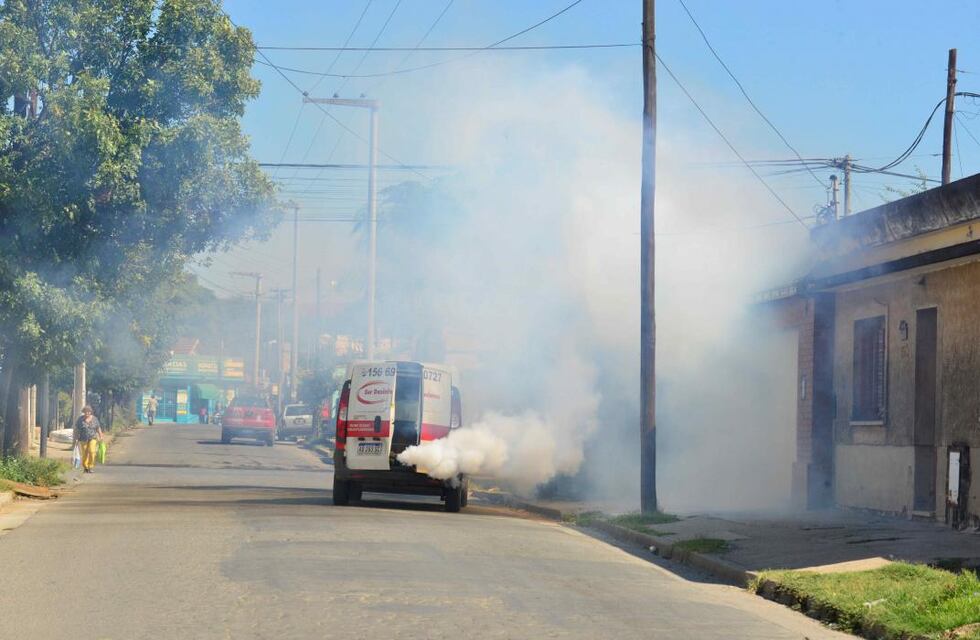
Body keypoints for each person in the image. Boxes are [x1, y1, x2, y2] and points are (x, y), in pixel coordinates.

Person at [73, 406, 103, 474]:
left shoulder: (95, 419)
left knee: (92, 452)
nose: (87, 413)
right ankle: (85, 467)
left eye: (89, 411)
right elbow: (77, 429)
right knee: (85, 454)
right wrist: (76, 438)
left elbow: (98, 428)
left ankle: (90, 466)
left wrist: (101, 436)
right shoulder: (80, 419)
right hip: (83, 439)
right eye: (86, 411)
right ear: (83, 412)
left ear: (90, 412)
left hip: (93, 438)